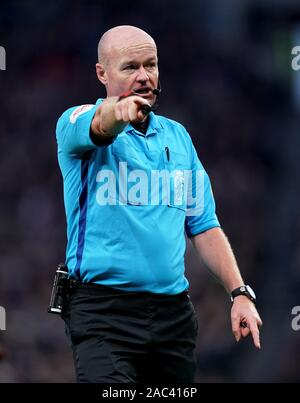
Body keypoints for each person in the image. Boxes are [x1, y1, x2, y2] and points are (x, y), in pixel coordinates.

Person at [56, 25, 262, 383]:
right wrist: (119, 114)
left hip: (172, 316)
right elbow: (100, 125)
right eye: (130, 67)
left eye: (150, 65)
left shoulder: (178, 137)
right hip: (103, 312)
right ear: (102, 73)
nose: (144, 76)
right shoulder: (74, 124)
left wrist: (239, 292)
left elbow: (203, 225)